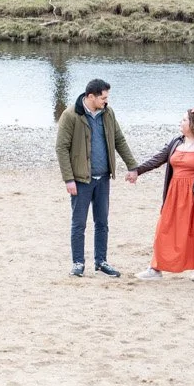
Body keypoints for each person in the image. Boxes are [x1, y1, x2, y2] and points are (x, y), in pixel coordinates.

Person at [54, 78, 137, 278]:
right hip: (81, 180)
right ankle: (78, 263)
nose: (106, 101)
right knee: (79, 223)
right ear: (90, 96)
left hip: (103, 179)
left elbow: (119, 139)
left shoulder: (108, 113)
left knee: (102, 222)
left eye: (107, 97)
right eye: (103, 97)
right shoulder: (70, 115)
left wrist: (132, 166)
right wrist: (68, 179)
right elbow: (61, 148)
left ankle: (101, 262)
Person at [128, 108, 194, 282]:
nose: (181, 122)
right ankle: (155, 268)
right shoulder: (176, 142)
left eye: (184, 120)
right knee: (164, 229)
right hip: (174, 193)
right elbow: (158, 159)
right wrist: (137, 171)